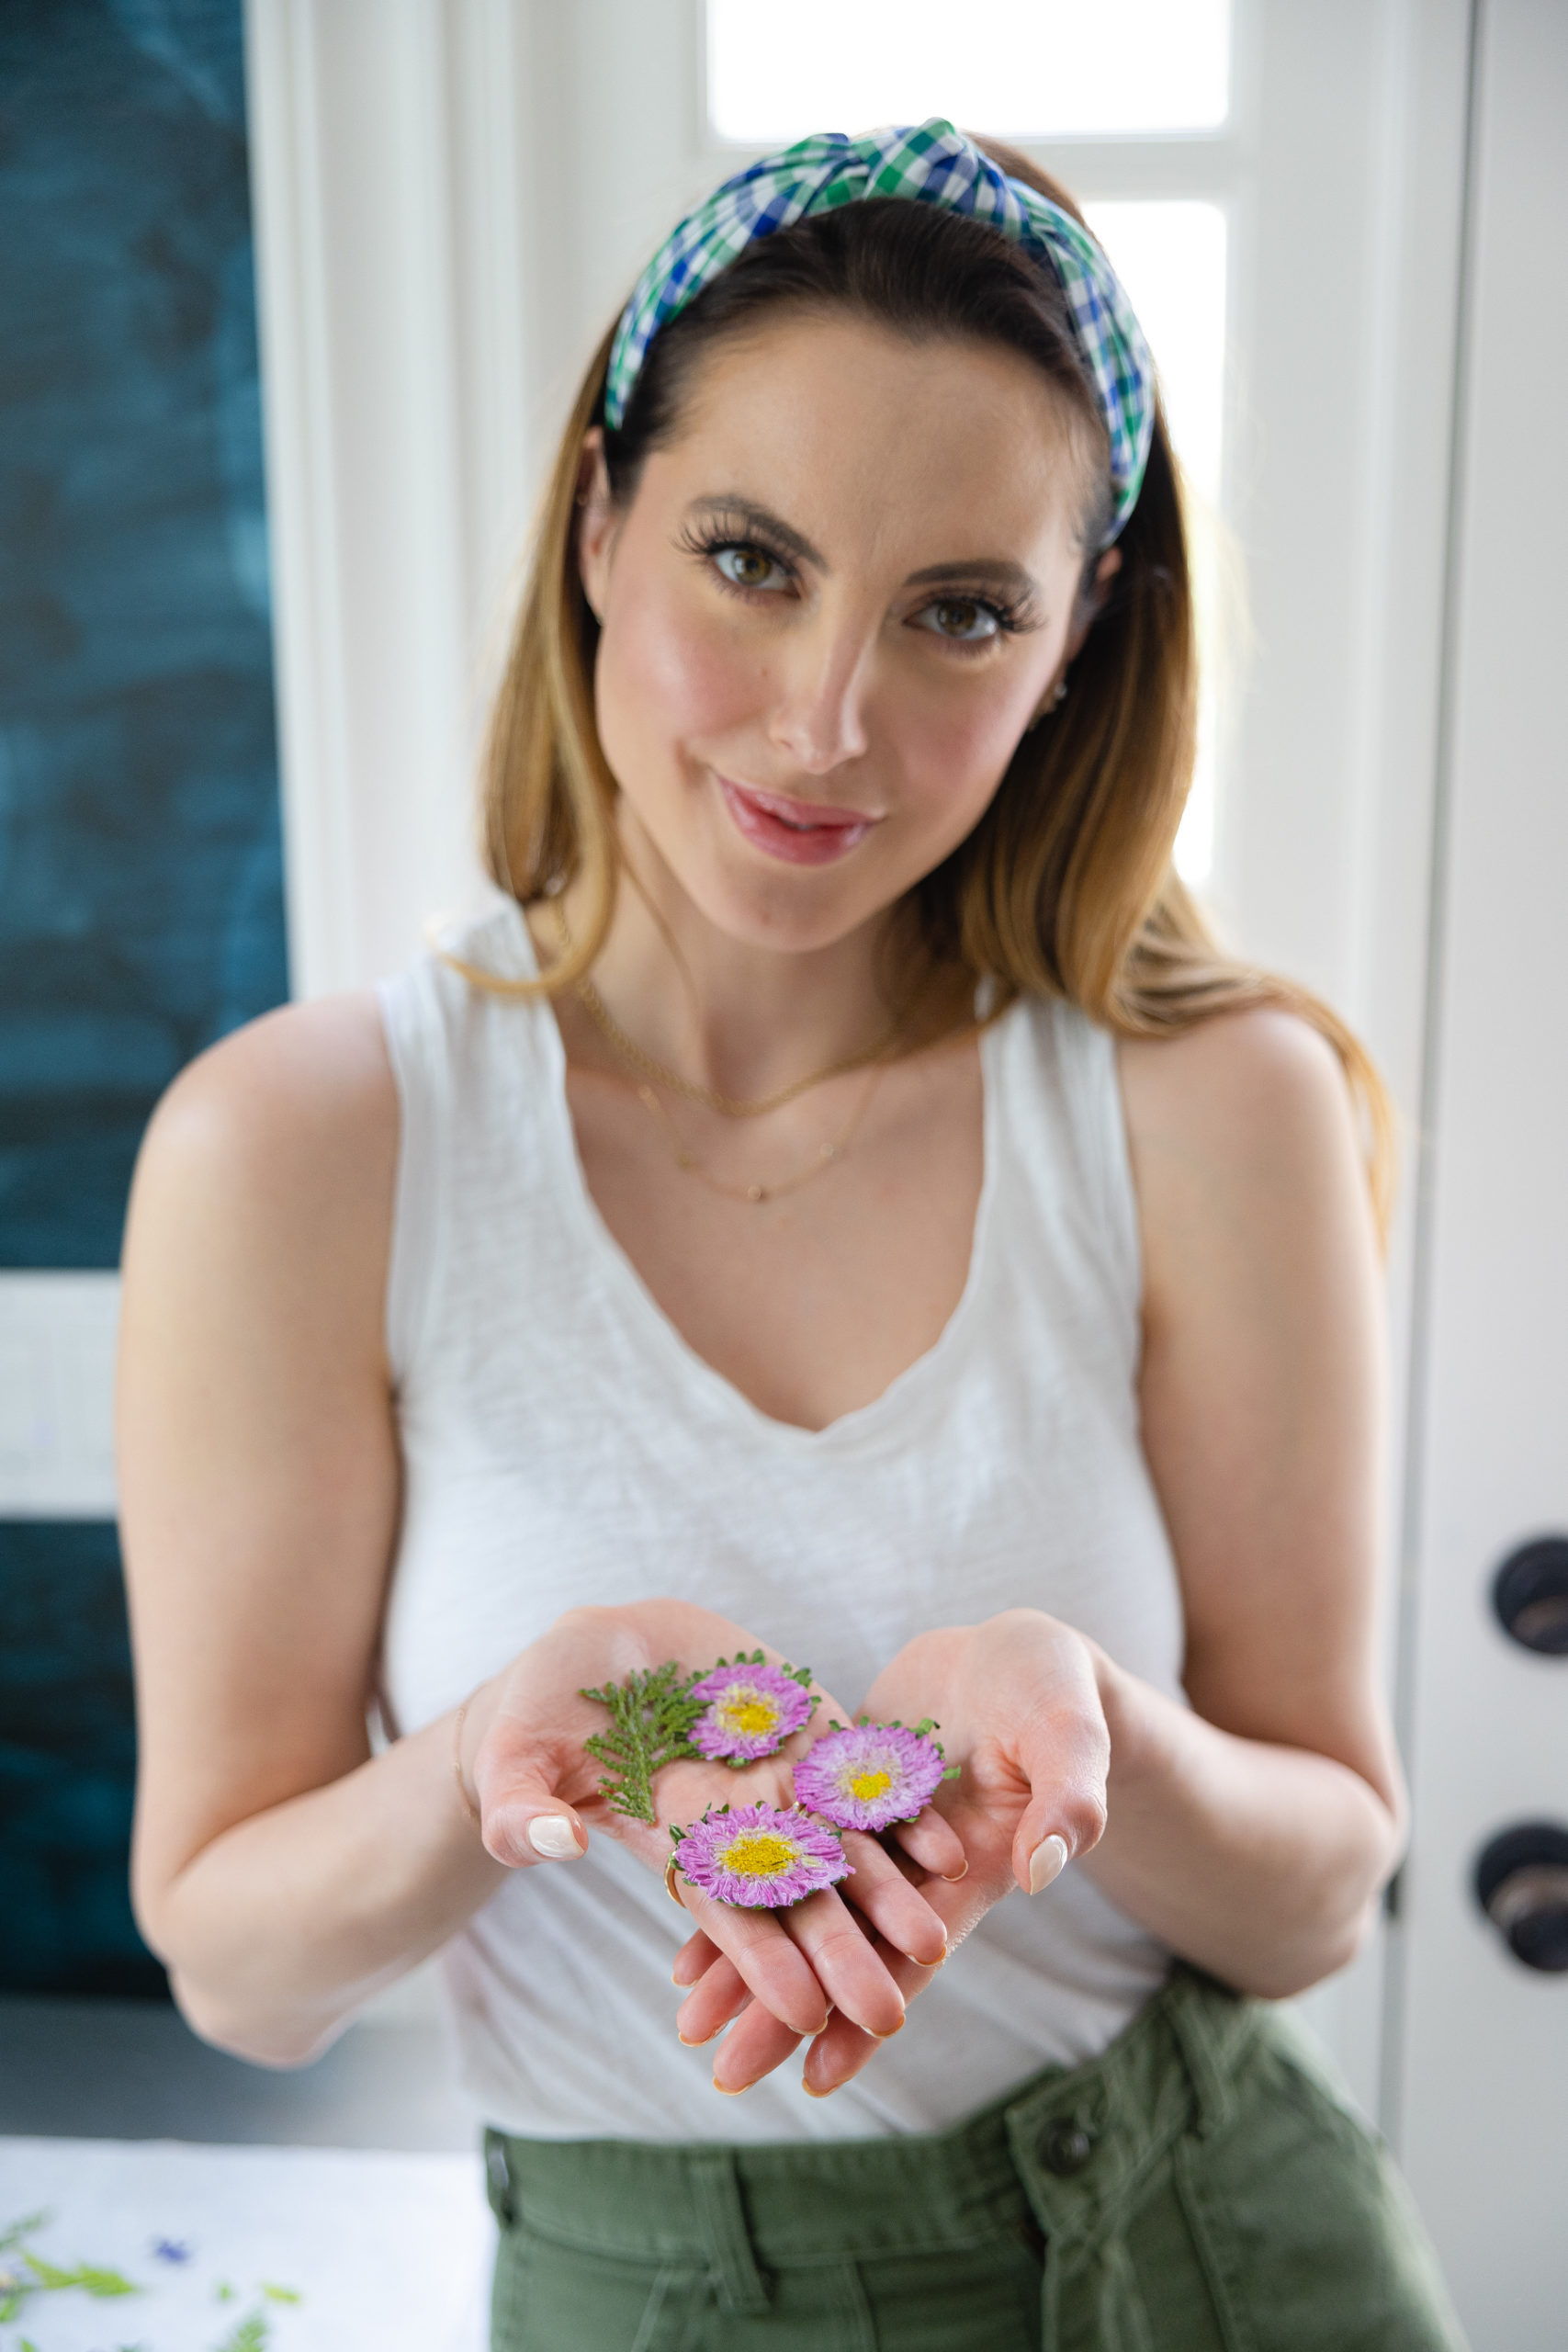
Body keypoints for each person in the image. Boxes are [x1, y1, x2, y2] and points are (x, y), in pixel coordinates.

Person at [118, 123, 1466, 2350]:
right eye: (750, 558)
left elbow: (1318, 1882)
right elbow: (241, 1963)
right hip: (661, 2290)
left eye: (958, 611)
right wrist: (495, 1758)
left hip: (1223, 2245)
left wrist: (1094, 1735)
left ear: (1073, 648)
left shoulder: (1211, 1105)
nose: (828, 721)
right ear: (597, 527)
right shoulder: (304, 1147)